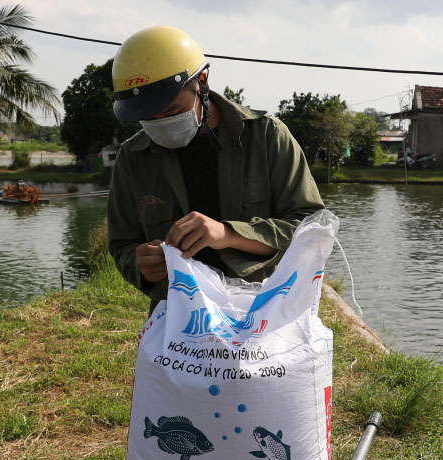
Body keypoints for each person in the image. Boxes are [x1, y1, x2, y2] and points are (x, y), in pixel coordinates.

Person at [106, 26, 324, 314]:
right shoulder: (133, 157)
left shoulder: (267, 136)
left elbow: (312, 231)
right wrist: (140, 263)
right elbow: (122, 242)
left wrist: (228, 234)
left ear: (202, 82)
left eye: (172, 111)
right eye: (148, 117)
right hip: (180, 325)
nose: (162, 123)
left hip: (263, 314)